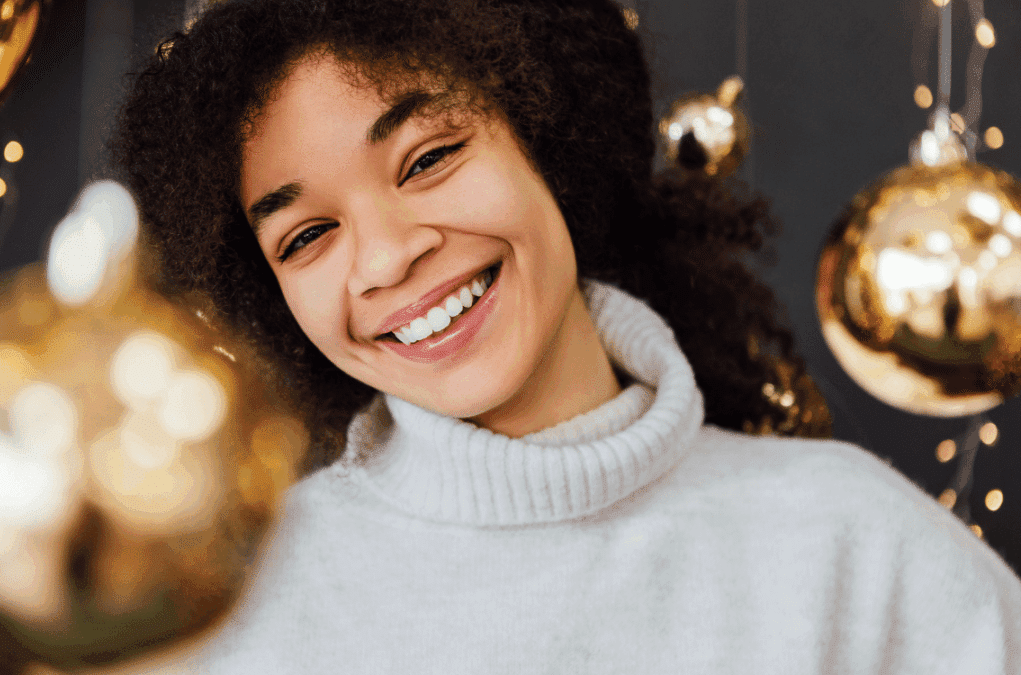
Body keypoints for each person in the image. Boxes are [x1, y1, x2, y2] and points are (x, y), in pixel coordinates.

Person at [111, 0, 1021, 671]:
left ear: (547, 137)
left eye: (428, 158)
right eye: (306, 236)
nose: (385, 258)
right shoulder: (225, 614)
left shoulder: (856, 550)